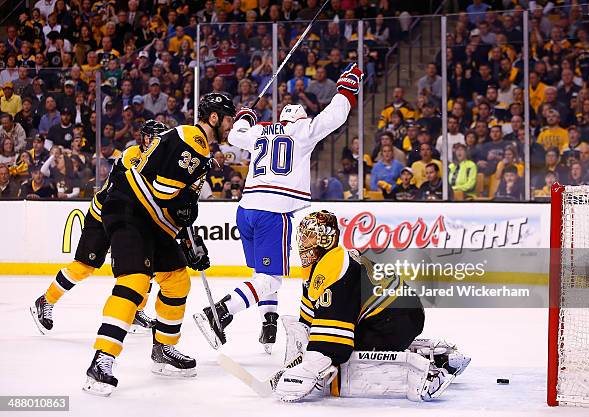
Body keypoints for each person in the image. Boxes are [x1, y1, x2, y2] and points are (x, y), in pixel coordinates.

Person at [193, 64, 363, 354]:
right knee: (269, 278)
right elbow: (335, 116)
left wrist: (245, 117)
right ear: (299, 119)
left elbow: (234, 135)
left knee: (262, 274)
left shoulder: (259, 132)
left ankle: (268, 323)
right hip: (273, 212)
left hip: (245, 209)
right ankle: (220, 312)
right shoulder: (303, 131)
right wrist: (348, 88)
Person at [82, 93, 235, 396]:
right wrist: (186, 212)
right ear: (214, 118)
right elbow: (166, 192)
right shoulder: (192, 137)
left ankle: (163, 350)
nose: (231, 125)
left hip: (152, 219)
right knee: (135, 281)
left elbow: (176, 203)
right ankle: (102, 359)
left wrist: (192, 241)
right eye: (228, 119)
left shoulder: (201, 153)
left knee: (177, 280)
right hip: (130, 209)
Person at [272, 211, 466, 402]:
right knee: (351, 345)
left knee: (344, 362)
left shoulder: (335, 270)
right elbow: (309, 319)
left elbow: (333, 344)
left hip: (394, 318)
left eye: (310, 236)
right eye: (302, 236)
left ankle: (427, 374)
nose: (303, 243)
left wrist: (309, 368)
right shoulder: (324, 265)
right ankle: (436, 356)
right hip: (400, 313)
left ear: (325, 239)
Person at [30, 121, 168, 336]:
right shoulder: (132, 155)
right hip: (103, 214)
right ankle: (45, 301)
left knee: (143, 267)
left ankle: (136, 311)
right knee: (84, 266)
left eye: (161, 138)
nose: (158, 141)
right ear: (145, 138)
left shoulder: (160, 160)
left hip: (130, 219)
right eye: (154, 137)